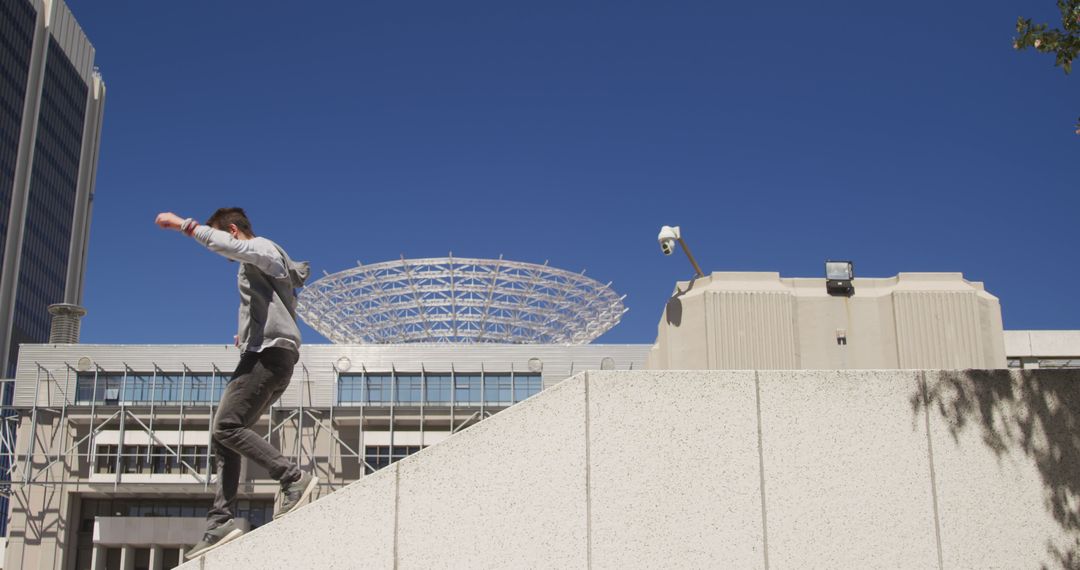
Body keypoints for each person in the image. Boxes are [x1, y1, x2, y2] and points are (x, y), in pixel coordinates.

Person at [154, 208, 318, 559]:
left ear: (232, 230)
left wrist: (186, 226)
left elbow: (239, 250)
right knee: (226, 434)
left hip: (267, 356)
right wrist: (244, 334)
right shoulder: (264, 266)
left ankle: (291, 477)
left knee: (226, 426)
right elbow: (271, 308)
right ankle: (221, 522)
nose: (227, 254)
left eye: (225, 238)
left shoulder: (262, 249)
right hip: (271, 356)